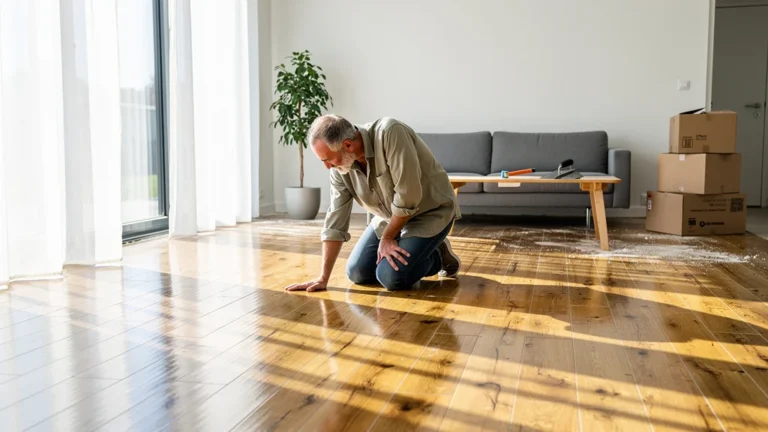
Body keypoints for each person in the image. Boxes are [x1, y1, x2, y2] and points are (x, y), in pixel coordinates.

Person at [283, 115, 461, 293]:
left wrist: (388, 238)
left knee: (391, 277)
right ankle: (414, 246)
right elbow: (336, 217)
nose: (327, 167)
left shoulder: (390, 133)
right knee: (357, 273)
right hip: (388, 217)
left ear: (347, 145)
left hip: (430, 213)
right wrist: (323, 278)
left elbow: (408, 196)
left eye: (327, 159)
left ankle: (438, 254)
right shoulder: (340, 168)